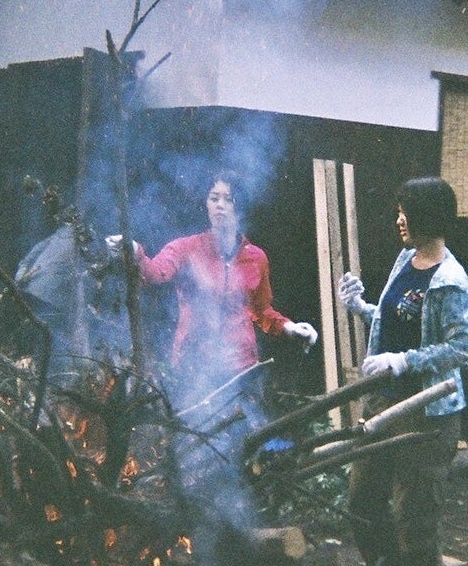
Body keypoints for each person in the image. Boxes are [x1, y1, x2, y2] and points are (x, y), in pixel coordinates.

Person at [337, 176, 468, 566]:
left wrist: (404, 362)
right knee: (362, 497)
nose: (399, 220)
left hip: (429, 410)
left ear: (429, 218)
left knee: (415, 512)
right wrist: (360, 307)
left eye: (406, 213)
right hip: (387, 399)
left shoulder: (451, 281)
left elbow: (461, 346)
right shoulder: (407, 260)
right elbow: (397, 320)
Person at [111, 171, 317, 418]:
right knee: (194, 433)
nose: (220, 205)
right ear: (207, 204)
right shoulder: (186, 248)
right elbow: (155, 272)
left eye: (228, 199)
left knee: (243, 435)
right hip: (194, 369)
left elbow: (261, 311)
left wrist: (290, 328)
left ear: (240, 207)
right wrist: (134, 251)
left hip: (241, 371)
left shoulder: (256, 257)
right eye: (214, 198)